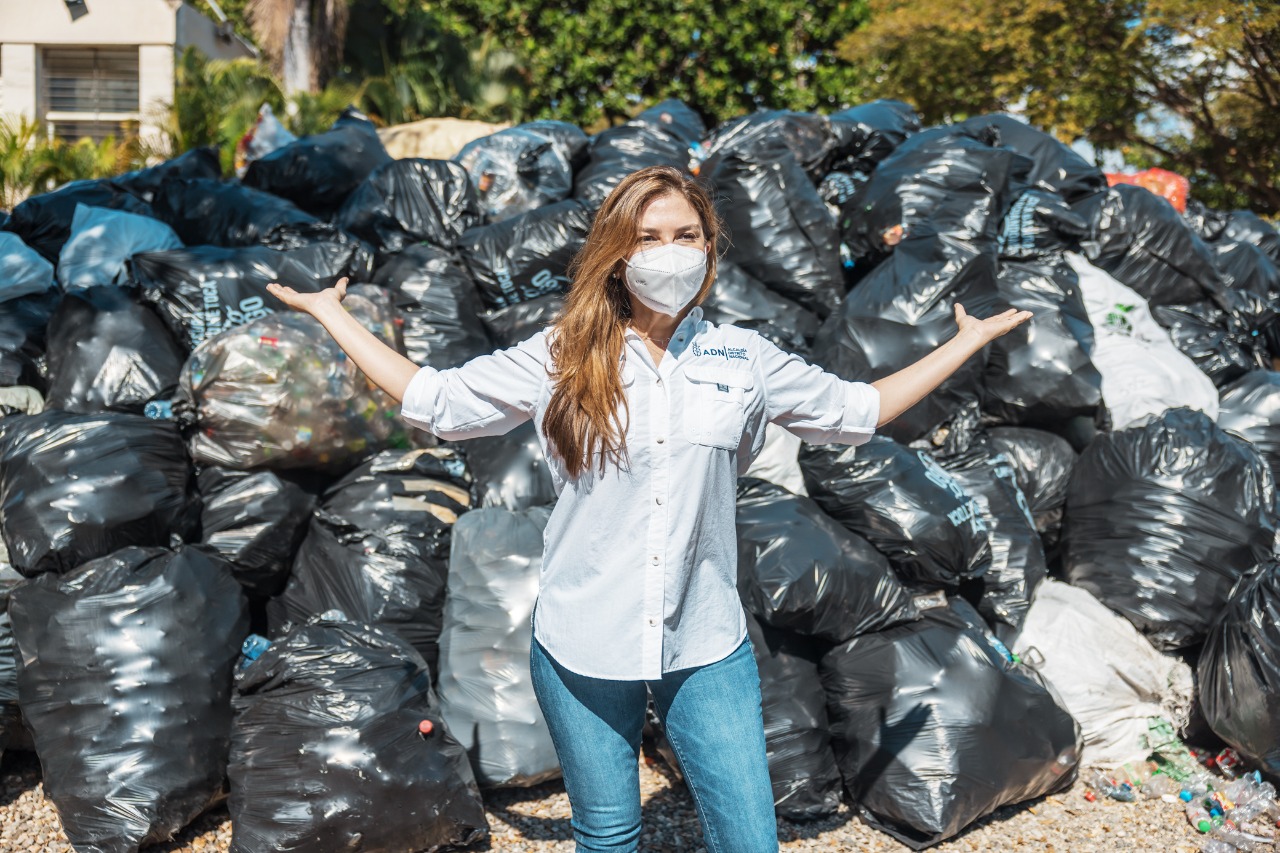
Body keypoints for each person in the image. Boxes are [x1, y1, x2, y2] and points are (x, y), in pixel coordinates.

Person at [266, 165, 1032, 853]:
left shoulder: (743, 357)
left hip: (704, 636)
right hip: (582, 638)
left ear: (709, 247)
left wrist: (965, 342)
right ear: (616, 253)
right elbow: (435, 399)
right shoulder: (563, 352)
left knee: (749, 837)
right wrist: (331, 314)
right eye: (649, 237)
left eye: (686, 235)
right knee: (608, 835)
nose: (670, 253)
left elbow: (859, 410)